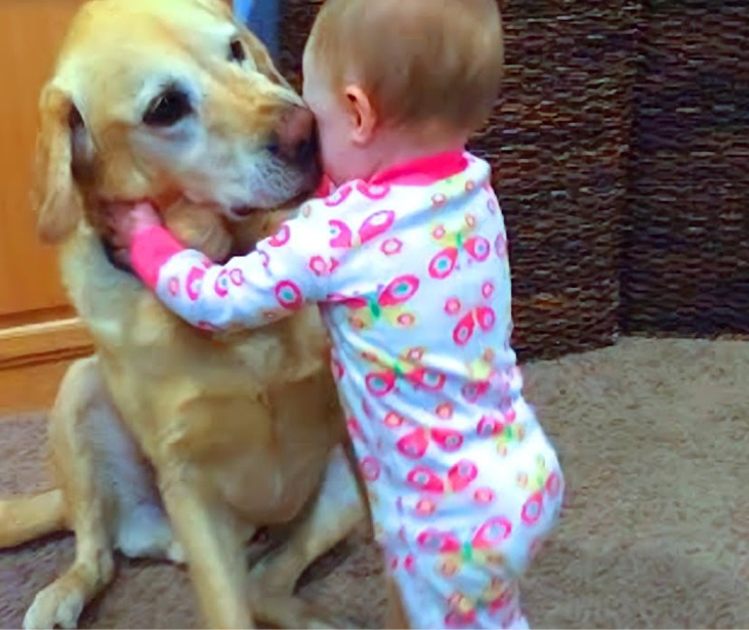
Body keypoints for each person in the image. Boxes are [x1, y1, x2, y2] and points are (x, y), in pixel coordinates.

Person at [109, 1, 564, 628]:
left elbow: (218, 301)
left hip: (443, 517)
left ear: (356, 113)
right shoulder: (469, 188)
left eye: (311, 117)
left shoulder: (334, 237)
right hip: (519, 466)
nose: (302, 138)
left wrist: (146, 238)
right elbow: (377, 208)